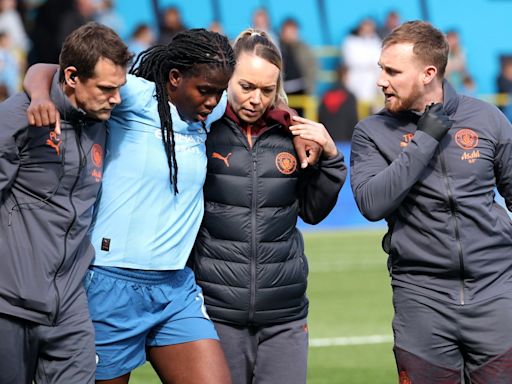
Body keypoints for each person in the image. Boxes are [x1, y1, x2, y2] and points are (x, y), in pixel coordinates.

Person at [25, 27, 320, 383]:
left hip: (176, 288)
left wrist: (298, 130)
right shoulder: (136, 95)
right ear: (175, 78)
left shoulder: (208, 112)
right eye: (205, 91)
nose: (214, 102)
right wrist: (41, 95)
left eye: (219, 92)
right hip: (110, 282)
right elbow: (46, 69)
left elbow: (260, 105)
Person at [350, 20, 512, 383]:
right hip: (421, 300)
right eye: (381, 69)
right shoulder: (371, 132)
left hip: (497, 294)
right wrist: (425, 139)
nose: (381, 80)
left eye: (392, 71)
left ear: (428, 73)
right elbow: (372, 203)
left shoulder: (487, 118)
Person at [188, 29, 346, 384]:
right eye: (246, 86)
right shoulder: (198, 131)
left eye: (266, 90)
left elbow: (313, 212)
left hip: (285, 314)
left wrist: (332, 158)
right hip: (217, 311)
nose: (256, 99)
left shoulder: (293, 135)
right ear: (227, 78)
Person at [0, 22, 131, 384]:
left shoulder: (103, 115)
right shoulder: (18, 118)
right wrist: (38, 96)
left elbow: (43, 70)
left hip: (70, 310)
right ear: (72, 77)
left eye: (118, 88)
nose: (117, 99)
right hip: (8, 306)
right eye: (107, 89)